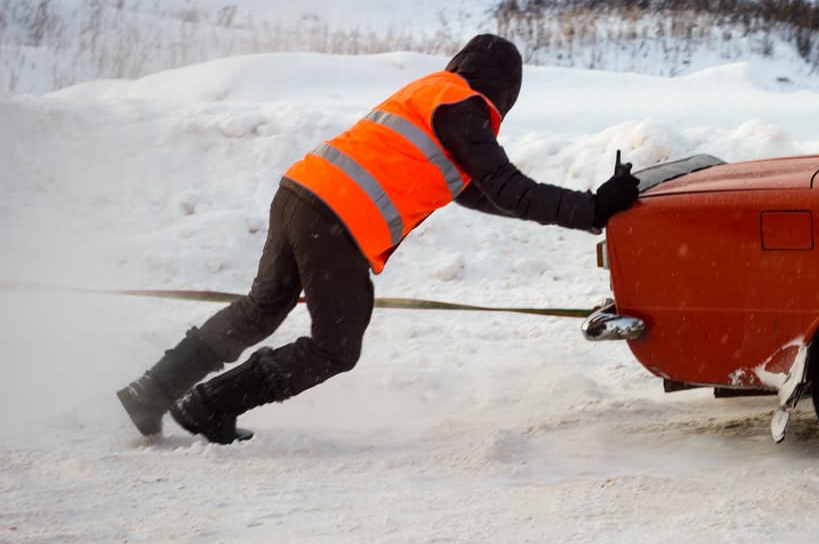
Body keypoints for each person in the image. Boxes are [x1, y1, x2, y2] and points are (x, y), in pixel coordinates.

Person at [117, 34, 640, 444]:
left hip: (300, 191)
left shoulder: (431, 96)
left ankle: (153, 389)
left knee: (260, 309)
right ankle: (210, 404)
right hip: (336, 218)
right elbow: (508, 187)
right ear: (507, 90)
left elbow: (494, 195)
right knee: (335, 346)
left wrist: (586, 212)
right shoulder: (464, 107)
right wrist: (594, 206)